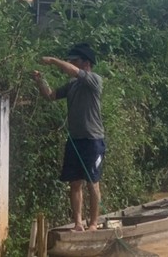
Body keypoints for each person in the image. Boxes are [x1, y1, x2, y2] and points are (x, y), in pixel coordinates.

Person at [31, 43, 105, 232]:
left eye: (75, 61)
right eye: (70, 60)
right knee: (75, 183)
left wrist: (54, 61)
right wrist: (40, 81)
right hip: (75, 140)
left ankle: (94, 224)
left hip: (92, 139)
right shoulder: (72, 85)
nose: (71, 63)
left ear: (86, 64)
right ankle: (79, 223)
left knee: (92, 183)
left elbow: (73, 71)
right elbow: (50, 96)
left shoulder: (94, 80)